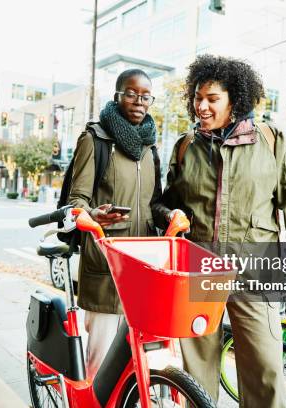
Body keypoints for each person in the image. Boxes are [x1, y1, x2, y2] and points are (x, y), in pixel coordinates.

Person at [153, 54, 286, 407]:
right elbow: (164, 203)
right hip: (199, 271)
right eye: (198, 98)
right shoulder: (186, 147)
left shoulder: (271, 141)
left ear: (235, 100)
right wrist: (171, 215)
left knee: (265, 369)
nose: (202, 106)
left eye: (212, 99)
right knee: (196, 370)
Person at [67, 68, 161, 377]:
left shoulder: (151, 148)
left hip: (143, 267)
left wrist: (170, 214)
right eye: (131, 94)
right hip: (105, 265)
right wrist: (93, 215)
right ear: (117, 96)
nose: (138, 102)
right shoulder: (95, 139)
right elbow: (76, 199)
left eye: (145, 96)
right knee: (101, 363)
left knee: (139, 364)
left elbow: (154, 203)